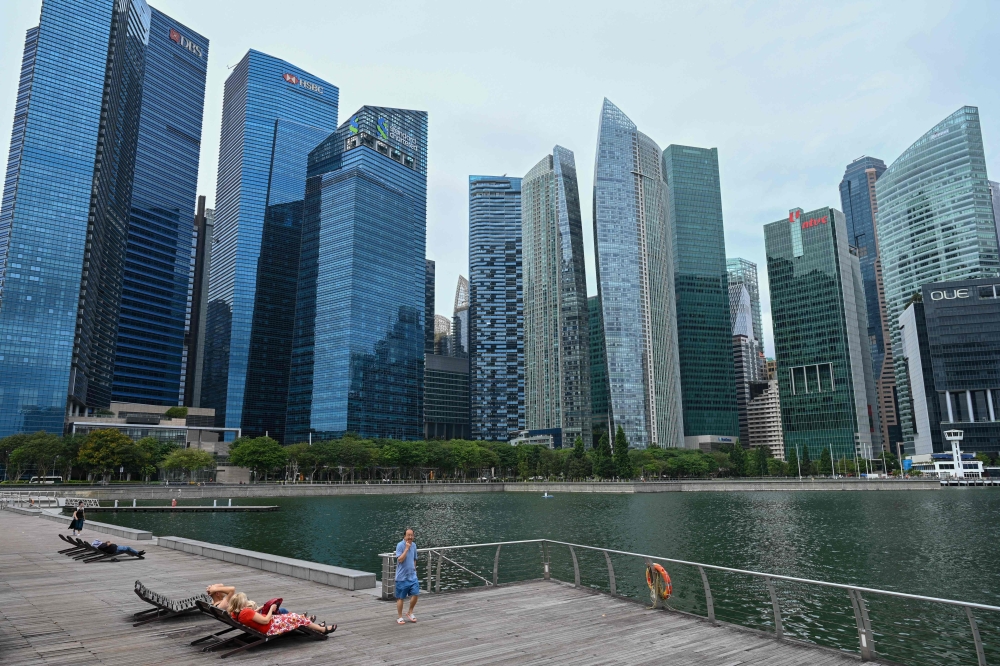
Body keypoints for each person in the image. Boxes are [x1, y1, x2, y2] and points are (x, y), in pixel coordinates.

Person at [227, 593, 334, 635]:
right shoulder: (246, 611)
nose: (247, 601)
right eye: (245, 600)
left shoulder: (235, 613)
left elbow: (249, 617)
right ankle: (321, 629)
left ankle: (311, 625)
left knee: (291, 616)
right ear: (241, 603)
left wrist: (259, 609)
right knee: (295, 617)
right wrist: (271, 610)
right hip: (270, 627)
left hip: (266, 625)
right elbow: (265, 620)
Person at [207, 584, 292, 615]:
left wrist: (214, 588)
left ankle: (298, 618)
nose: (224, 590)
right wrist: (214, 589)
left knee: (279, 609)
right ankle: (299, 620)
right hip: (256, 614)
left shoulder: (214, 602)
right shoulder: (222, 604)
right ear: (217, 593)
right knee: (282, 610)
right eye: (221, 590)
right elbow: (232, 589)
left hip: (253, 611)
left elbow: (221, 584)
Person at [394, 527, 419, 624]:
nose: (410, 537)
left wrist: (414, 568)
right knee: (401, 598)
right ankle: (400, 617)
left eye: (412, 535)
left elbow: (414, 558)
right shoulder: (400, 545)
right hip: (402, 577)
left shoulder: (414, 545)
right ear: (404, 536)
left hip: (412, 575)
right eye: (408, 535)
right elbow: (400, 559)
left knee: (416, 594)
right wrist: (406, 548)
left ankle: (410, 612)